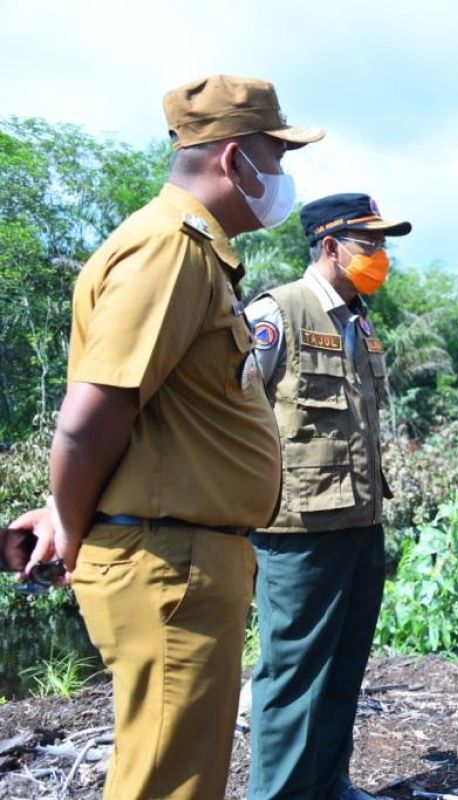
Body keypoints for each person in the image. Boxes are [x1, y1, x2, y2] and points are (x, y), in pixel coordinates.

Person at [12, 75, 323, 799]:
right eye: (274, 154)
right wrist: (75, 520)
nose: (281, 174)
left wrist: (65, 514)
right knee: (166, 785)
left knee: (173, 774)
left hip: (182, 558)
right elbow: (90, 420)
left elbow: (144, 418)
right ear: (233, 160)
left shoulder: (191, 252)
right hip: (167, 564)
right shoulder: (169, 251)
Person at [243, 193, 411, 800]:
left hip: (361, 522)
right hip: (296, 531)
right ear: (332, 246)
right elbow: (230, 406)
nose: (381, 257)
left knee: (344, 666)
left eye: (384, 246)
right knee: (292, 675)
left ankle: (327, 783)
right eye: (371, 244)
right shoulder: (278, 312)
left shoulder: (358, 322)